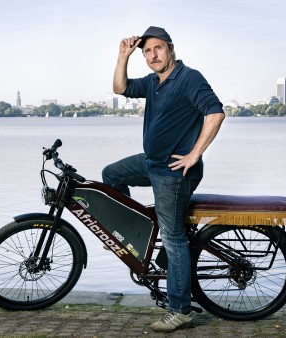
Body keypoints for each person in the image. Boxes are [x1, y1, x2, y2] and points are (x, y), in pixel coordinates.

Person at [102, 26, 225, 333]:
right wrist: (122, 56)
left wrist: (195, 154)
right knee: (111, 175)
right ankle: (135, 232)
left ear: (171, 49)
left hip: (173, 173)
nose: (152, 55)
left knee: (173, 239)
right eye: (147, 51)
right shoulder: (155, 82)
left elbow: (215, 113)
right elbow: (120, 88)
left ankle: (181, 311)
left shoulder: (188, 78)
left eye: (157, 48)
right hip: (152, 163)